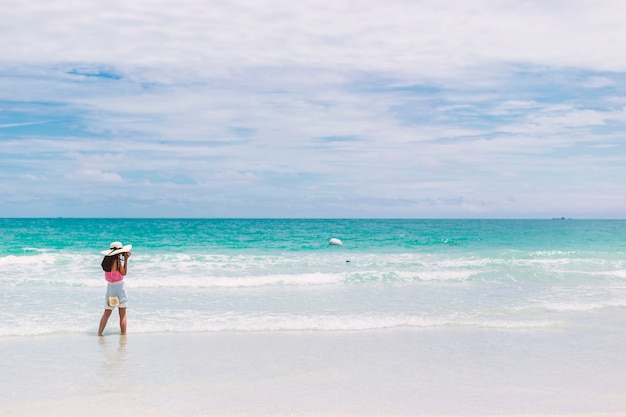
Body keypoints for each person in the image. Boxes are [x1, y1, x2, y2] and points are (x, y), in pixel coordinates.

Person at [98, 241, 132, 336]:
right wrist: (125, 260)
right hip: (120, 288)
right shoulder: (117, 262)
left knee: (106, 313)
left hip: (110, 288)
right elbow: (124, 273)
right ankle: (123, 335)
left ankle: (99, 333)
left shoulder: (105, 263)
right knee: (122, 315)